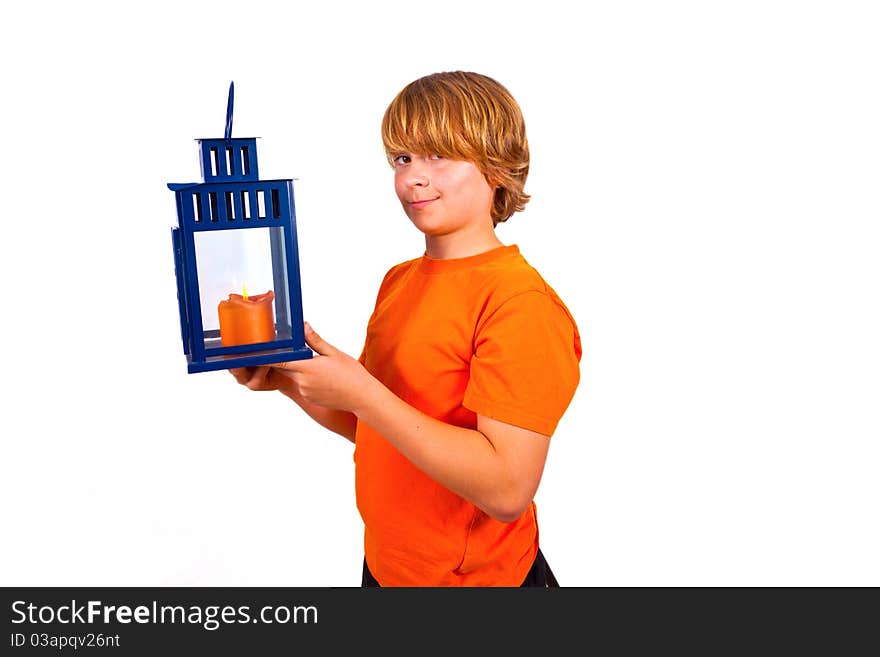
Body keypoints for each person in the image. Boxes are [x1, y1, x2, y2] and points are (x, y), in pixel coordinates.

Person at [229, 71, 582, 587]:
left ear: (498, 167)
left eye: (439, 154)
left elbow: (508, 490)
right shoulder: (399, 281)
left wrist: (364, 393)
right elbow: (381, 430)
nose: (414, 177)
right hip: (389, 570)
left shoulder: (519, 302)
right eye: (402, 158)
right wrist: (290, 379)